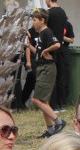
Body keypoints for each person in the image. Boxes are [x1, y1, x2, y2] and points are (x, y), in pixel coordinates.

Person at [27, 9, 66, 139]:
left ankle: (59, 122)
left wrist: (46, 51)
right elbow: (37, 51)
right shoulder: (40, 34)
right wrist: (29, 45)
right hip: (41, 67)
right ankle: (49, 129)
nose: (33, 23)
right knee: (44, 101)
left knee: (36, 99)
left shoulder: (47, 32)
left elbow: (57, 44)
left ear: (42, 20)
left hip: (47, 68)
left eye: (35, 20)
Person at [44, 0, 69, 112]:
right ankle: (62, 104)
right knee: (60, 77)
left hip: (52, 47)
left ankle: (53, 105)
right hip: (62, 47)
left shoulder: (49, 14)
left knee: (51, 77)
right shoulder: (63, 12)